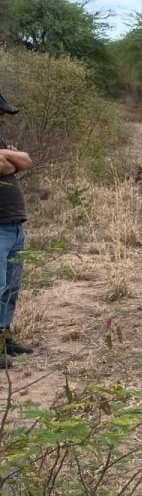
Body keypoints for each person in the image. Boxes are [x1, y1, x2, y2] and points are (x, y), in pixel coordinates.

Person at [0, 91, 34, 368]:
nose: (2, 118)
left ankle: (4, 337)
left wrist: (8, 154)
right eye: (0, 113)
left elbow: (25, 160)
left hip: (14, 225)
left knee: (11, 287)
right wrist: (10, 158)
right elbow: (5, 164)